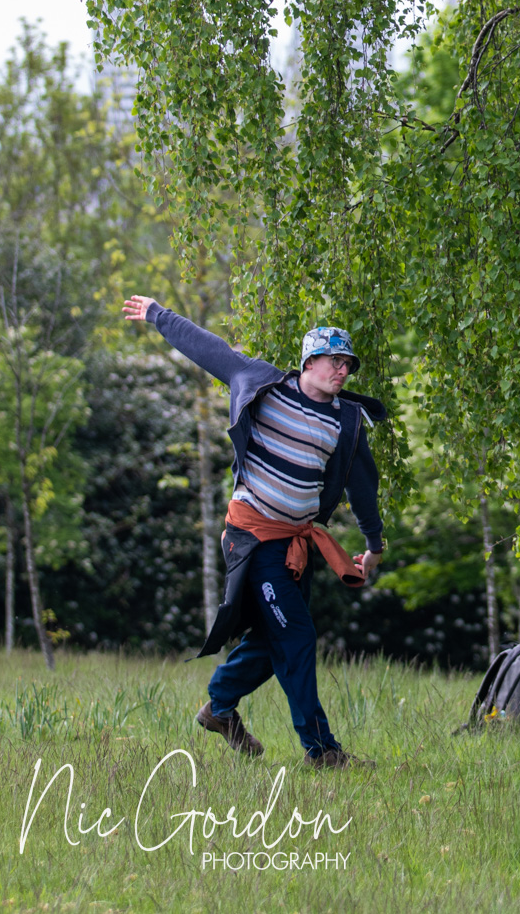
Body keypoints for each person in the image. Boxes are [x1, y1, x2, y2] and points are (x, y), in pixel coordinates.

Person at [122, 295, 386, 768]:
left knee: (273, 637)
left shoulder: (346, 420)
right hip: (252, 536)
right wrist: (158, 315)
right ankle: (322, 751)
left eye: (348, 365)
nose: (343, 371)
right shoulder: (262, 383)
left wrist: (373, 545)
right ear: (309, 361)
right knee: (297, 636)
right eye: (334, 361)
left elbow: (362, 486)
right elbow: (208, 348)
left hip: (295, 543)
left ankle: (219, 707)